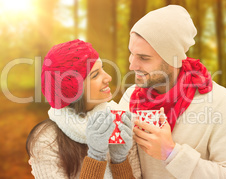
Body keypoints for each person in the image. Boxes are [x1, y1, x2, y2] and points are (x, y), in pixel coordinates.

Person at [119, 5, 226, 178]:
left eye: (144, 58)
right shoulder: (130, 98)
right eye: (132, 54)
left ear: (172, 59)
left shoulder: (219, 102)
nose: (132, 65)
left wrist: (172, 154)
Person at [26, 39, 141, 178]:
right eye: (95, 75)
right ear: (74, 90)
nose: (108, 77)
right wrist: (95, 156)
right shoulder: (46, 140)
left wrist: (120, 160)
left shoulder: (118, 121)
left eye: (102, 68)